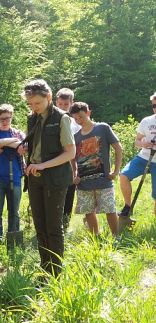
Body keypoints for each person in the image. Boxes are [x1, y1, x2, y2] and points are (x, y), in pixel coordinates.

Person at [18, 79, 75, 275]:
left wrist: (42, 164)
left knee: (53, 227)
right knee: (39, 226)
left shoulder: (62, 118)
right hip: (34, 178)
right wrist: (25, 148)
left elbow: (70, 153)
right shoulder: (32, 118)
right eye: (30, 104)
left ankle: (56, 273)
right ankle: (45, 269)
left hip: (56, 179)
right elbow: (36, 145)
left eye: (38, 103)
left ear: (49, 97)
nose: (34, 107)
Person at [70, 102, 122, 236]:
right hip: (83, 183)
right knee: (88, 211)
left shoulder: (102, 128)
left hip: (104, 179)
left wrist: (116, 171)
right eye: (75, 118)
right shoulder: (76, 137)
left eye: (81, 117)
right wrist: (74, 174)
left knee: (110, 208)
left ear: (88, 113)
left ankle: (116, 237)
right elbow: (72, 158)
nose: (78, 121)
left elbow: (118, 148)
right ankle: (96, 237)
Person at [0, 104, 26, 244]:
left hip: (15, 177)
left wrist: (4, 144)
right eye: (2, 118)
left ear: (11, 117)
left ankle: (13, 238)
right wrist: (12, 143)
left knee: (14, 211)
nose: (4, 121)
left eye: (7, 118)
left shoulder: (19, 133)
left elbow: (24, 147)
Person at [119, 92, 156, 217]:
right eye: (154, 106)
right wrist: (144, 144)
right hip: (144, 157)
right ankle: (128, 206)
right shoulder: (146, 121)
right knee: (124, 175)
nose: (155, 108)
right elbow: (137, 142)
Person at [55, 88, 81, 229]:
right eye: (60, 104)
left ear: (72, 104)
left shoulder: (76, 125)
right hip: (54, 164)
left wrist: (76, 169)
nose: (63, 107)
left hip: (71, 165)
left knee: (69, 195)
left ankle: (64, 225)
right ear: (56, 103)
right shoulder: (51, 120)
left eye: (66, 104)